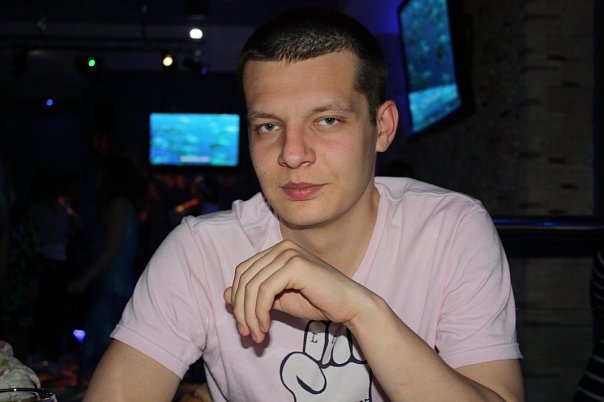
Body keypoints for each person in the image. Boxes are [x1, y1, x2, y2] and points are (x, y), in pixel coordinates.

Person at [85, 7, 524, 401]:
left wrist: (361, 311)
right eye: (268, 126)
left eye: (327, 120)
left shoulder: (450, 230)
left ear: (383, 127)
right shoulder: (200, 253)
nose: (292, 154)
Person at [67, 155, 145, 381]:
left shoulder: (119, 205)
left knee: (104, 349)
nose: (97, 178)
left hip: (114, 285)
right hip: (112, 283)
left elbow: (112, 248)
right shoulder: (121, 205)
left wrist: (83, 280)